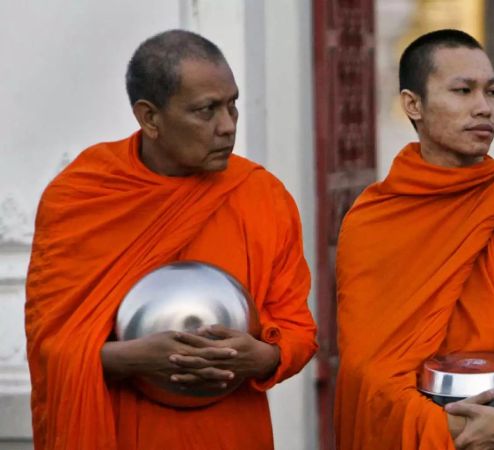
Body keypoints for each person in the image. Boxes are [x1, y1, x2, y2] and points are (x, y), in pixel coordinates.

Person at [25, 30, 318, 450]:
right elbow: (51, 351)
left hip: (229, 430)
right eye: (206, 111)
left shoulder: (261, 195)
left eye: (233, 105)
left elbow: (297, 329)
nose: (228, 126)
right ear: (150, 118)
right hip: (121, 429)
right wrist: (135, 359)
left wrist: (265, 356)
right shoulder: (83, 197)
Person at [334, 29, 494, 449]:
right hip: (415, 431)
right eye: (463, 91)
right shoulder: (375, 219)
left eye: (492, 92)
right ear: (413, 105)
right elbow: (369, 366)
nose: (484, 108)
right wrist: (454, 429)